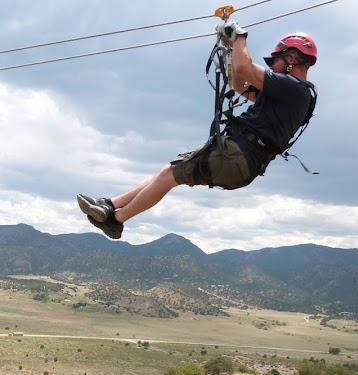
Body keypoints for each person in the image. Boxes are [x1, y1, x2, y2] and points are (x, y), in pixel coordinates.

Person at [77, 21, 318, 239]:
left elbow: (246, 69)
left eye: (275, 60)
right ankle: (109, 205)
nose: (272, 65)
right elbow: (239, 84)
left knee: (171, 175)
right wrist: (229, 51)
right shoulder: (285, 93)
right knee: (168, 171)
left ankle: (115, 221)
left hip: (241, 156)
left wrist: (239, 36)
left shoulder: (295, 89)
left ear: (292, 58)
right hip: (240, 155)